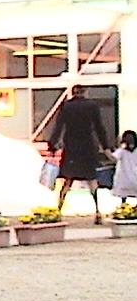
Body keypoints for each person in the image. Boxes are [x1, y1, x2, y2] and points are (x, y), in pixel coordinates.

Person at [48, 84, 109, 223]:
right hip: (88, 146)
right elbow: (99, 127)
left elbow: (58, 127)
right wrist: (105, 146)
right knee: (92, 179)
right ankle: (98, 212)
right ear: (85, 92)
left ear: (73, 93)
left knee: (67, 179)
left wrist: (52, 145)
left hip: (71, 147)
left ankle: (58, 212)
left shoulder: (66, 106)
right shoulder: (92, 106)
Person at [111, 129, 137, 204]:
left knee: (123, 197)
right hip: (134, 179)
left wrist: (106, 150)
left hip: (123, 180)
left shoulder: (121, 151)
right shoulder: (123, 151)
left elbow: (113, 158)